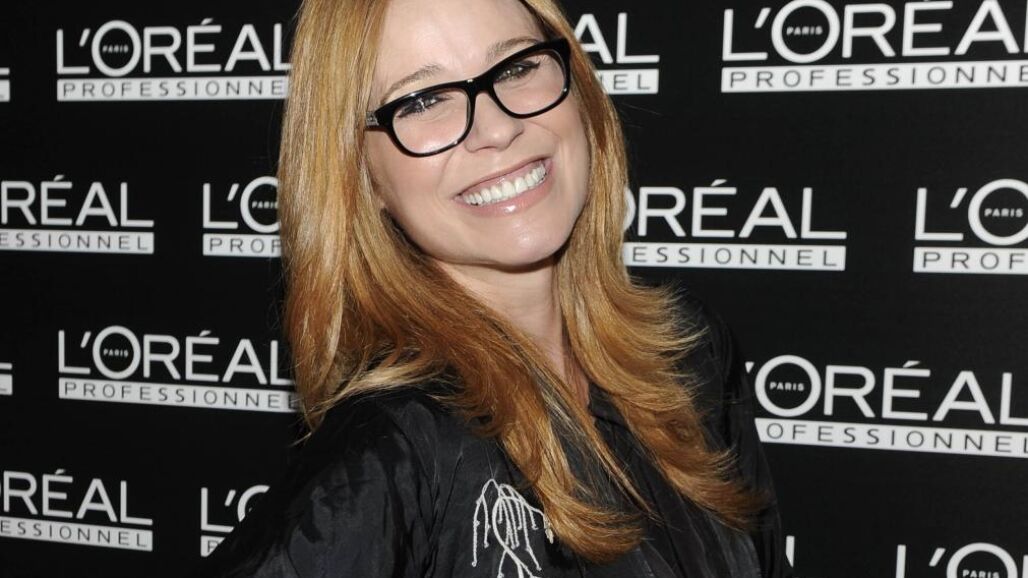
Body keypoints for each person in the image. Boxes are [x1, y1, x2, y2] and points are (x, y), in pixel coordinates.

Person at [194, 0, 795, 576]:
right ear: (362, 176)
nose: (498, 128)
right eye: (424, 100)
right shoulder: (398, 447)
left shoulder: (689, 354)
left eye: (515, 67)